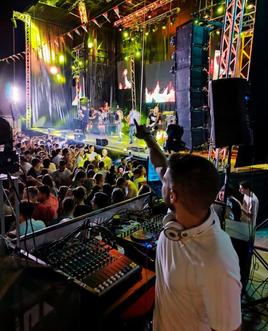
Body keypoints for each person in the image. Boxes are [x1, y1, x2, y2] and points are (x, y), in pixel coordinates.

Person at [135, 122, 242, 331]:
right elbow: (161, 164)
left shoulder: (217, 261)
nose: (161, 179)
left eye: (164, 181)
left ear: (173, 195)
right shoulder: (181, 211)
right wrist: (147, 138)